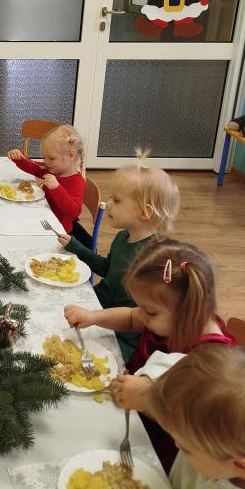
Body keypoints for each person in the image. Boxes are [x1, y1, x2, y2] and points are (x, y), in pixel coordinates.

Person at [64, 238, 235, 472]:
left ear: (187, 312)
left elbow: (192, 422)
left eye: (150, 312)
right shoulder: (172, 318)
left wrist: (147, 400)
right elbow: (132, 317)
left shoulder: (211, 363)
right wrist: (93, 317)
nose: (142, 316)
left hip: (162, 443)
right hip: (130, 400)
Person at [58, 153, 180, 363]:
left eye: (117, 200)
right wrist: (76, 247)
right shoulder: (123, 236)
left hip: (124, 335)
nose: (108, 204)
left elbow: (142, 317)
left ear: (144, 212)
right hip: (100, 307)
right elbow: (108, 269)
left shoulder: (154, 257)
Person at [146, 345, 245, 489]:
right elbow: (174, 365)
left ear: (239, 465)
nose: (176, 446)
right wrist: (146, 388)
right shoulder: (214, 447)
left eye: (186, 449)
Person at [7, 124, 87, 240]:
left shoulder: (76, 181)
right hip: (43, 217)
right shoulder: (53, 169)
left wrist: (57, 188)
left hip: (58, 230)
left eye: (51, 158)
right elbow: (34, 167)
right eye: (45, 157)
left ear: (71, 155)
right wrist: (19, 158)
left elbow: (74, 211)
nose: (46, 162)